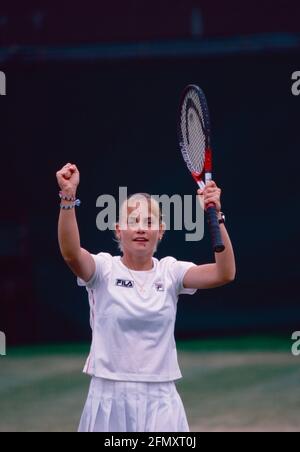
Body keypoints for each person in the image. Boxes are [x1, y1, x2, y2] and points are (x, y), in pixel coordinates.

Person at [56, 162, 236, 432]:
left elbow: (225, 273)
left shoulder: (171, 271)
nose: (141, 228)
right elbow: (71, 254)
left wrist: (217, 216)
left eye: (149, 222)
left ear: (160, 232)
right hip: (109, 394)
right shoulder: (103, 269)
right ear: (119, 230)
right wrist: (68, 196)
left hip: (161, 397)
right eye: (133, 222)